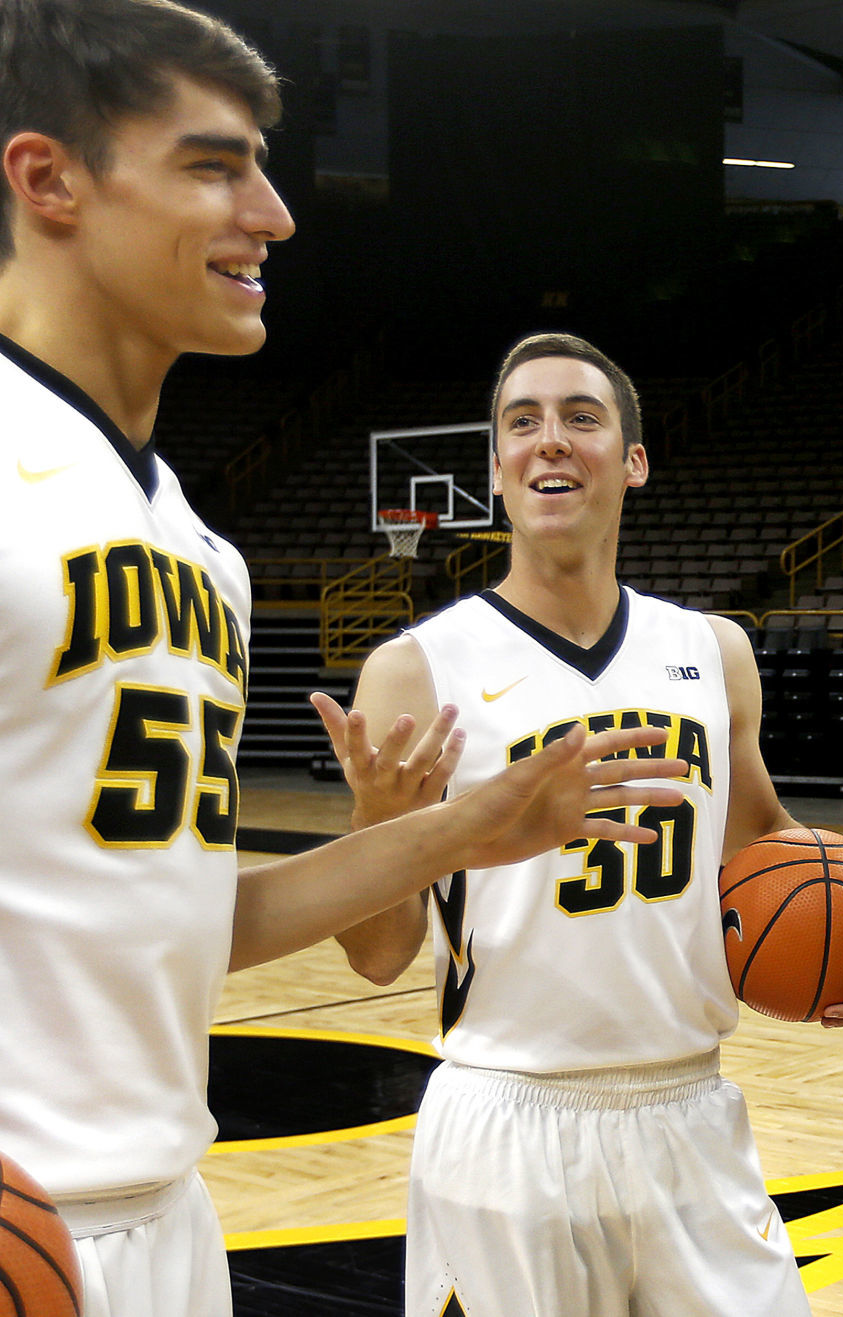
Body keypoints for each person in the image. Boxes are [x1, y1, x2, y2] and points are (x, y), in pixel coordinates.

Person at [0, 5, 686, 1314]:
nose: (276, 211)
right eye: (215, 165)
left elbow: (192, 929)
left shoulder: (202, 551)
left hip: (167, 1210)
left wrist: (463, 826)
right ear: (51, 182)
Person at [317, 331, 843, 1317]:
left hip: (690, 1114)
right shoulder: (416, 669)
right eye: (522, 422)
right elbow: (379, 956)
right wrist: (376, 821)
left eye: (582, 418)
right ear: (494, 468)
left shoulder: (713, 652)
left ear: (634, 460)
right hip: (506, 1122)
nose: (550, 440)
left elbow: (771, 846)